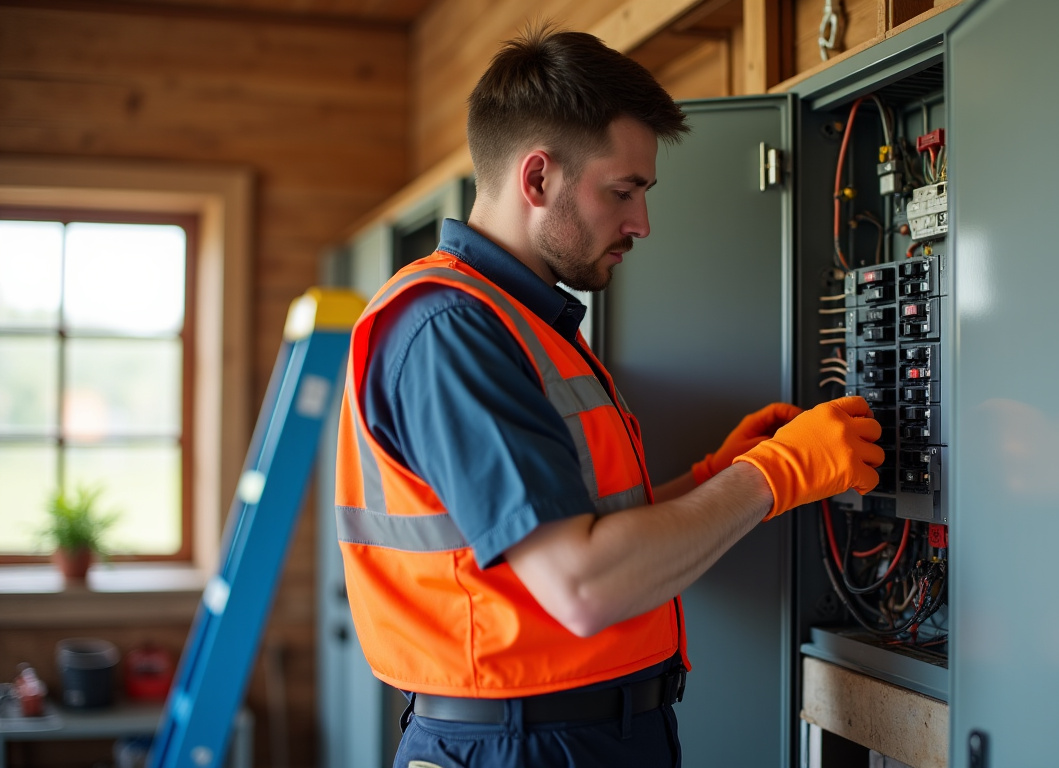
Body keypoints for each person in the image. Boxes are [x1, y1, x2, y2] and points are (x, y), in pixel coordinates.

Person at [333, 26, 885, 768]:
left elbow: (577, 532)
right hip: (516, 745)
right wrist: (778, 474)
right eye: (622, 191)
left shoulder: (522, 322)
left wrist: (712, 477)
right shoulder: (451, 329)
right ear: (537, 180)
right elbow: (584, 585)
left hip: (571, 735)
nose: (641, 224)